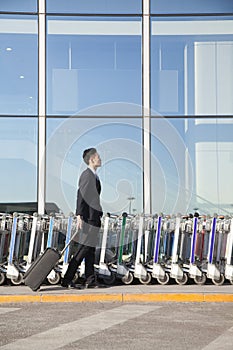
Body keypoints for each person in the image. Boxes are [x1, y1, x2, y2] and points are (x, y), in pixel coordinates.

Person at [61, 147, 103, 289]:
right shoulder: (87, 175)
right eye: (98, 156)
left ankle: (90, 280)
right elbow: (81, 195)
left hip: (94, 217)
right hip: (88, 218)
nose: (100, 158)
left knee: (90, 250)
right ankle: (67, 279)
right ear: (91, 159)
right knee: (84, 249)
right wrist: (79, 215)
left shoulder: (94, 176)